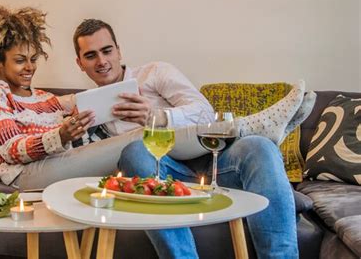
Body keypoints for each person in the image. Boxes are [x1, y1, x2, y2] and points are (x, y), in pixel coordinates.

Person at [72, 19, 312, 258]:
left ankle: (253, 130)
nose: (102, 61)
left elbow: (205, 112)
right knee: (135, 151)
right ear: (80, 63)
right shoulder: (88, 107)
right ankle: (251, 125)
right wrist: (68, 128)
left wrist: (156, 117)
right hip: (163, 175)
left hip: (213, 162)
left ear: (118, 50)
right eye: (91, 55)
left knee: (260, 146)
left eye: (107, 51)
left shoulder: (155, 73)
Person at [0, 3, 99, 186]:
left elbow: (71, 132)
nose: (29, 67)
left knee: (130, 147)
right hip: (24, 174)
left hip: (59, 164)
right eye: (20, 60)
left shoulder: (47, 98)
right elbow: (10, 150)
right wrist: (60, 136)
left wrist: (76, 126)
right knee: (135, 143)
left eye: (33, 59)